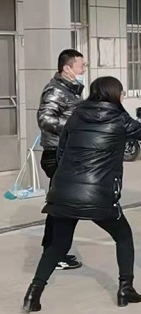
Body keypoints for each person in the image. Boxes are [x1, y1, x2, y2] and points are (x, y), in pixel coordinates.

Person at [23, 77, 141, 313]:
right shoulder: (119, 118)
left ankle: (33, 293)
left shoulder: (76, 115)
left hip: (65, 191)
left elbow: (61, 151)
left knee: (57, 245)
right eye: (121, 92)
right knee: (123, 237)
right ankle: (126, 288)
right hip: (99, 195)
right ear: (113, 94)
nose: (123, 96)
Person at [36, 49, 87, 271]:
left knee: (61, 206)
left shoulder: (71, 90)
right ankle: (54, 253)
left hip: (67, 152)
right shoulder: (56, 90)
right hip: (57, 154)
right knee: (64, 207)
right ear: (66, 68)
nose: (84, 70)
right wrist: (75, 126)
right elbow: (45, 119)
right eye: (81, 66)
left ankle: (55, 251)